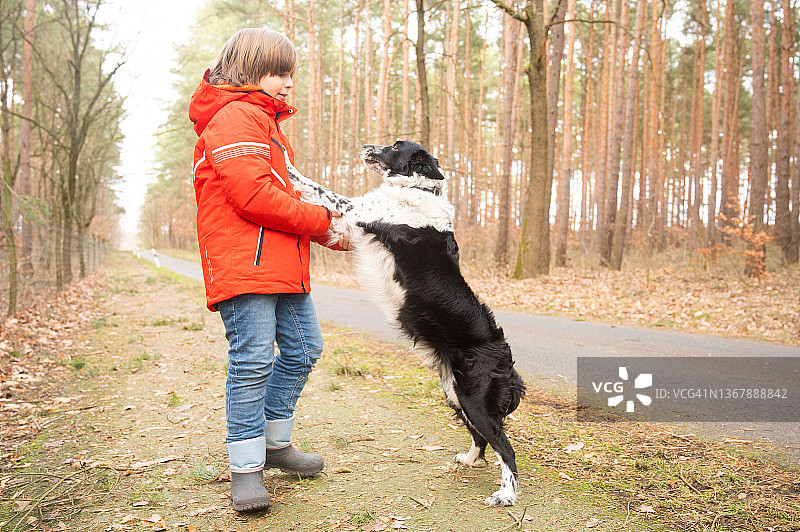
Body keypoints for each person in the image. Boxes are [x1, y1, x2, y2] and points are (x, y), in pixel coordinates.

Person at [188, 27, 349, 512]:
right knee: (254, 359)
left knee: (303, 350)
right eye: (279, 72)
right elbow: (254, 197)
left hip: (284, 263)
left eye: (290, 74)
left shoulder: (267, 126)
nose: (288, 83)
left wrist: (329, 231)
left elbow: (288, 198)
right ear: (248, 69)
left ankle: (275, 444)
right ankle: (245, 467)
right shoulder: (234, 118)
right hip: (245, 266)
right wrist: (321, 219)